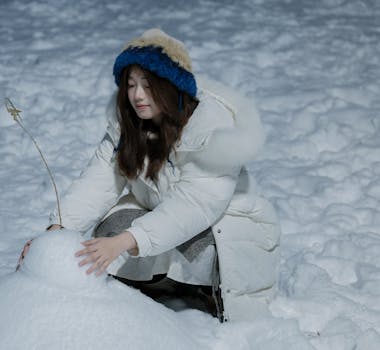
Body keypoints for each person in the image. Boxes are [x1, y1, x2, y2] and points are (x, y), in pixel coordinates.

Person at [18, 28, 280, 322]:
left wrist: (127, 241)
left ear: (171, 86)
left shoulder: (213, 128)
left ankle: (204, 291)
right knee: (108, 232)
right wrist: (55, 232)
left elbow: (194, 205)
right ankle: (161, 283)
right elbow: (96, 185)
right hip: (160, 212)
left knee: (197, 243)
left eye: (148, 84)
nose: (137, 95)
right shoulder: (127, 126)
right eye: (130, 85)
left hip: (222, 225)